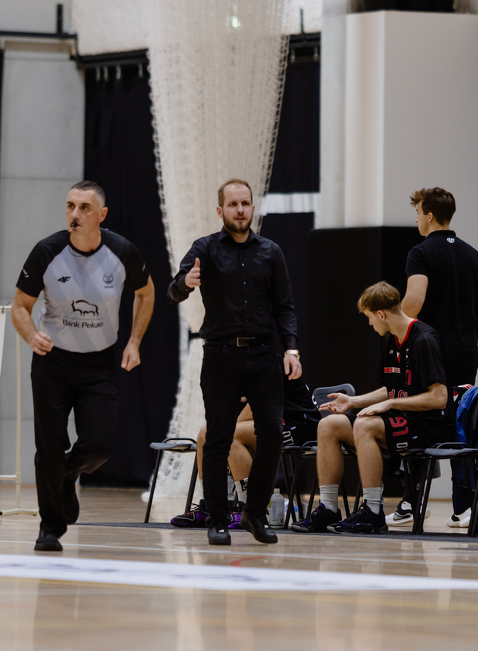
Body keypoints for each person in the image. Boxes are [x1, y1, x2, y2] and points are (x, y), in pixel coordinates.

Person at [14, 181, 153, 552]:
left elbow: (146, 293)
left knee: (99, 446)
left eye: (84, 208)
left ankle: (67, 475)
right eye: (70, 206)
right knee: (49, 446)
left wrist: (134, 341)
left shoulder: (122, 252)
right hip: (52, 363)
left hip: (99, 364)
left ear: (101, 215)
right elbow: (20, 307)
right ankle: (49, 528)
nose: (74, 214)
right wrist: (32, 336)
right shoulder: (46, 251)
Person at [168, 178, 301, 547]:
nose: (240, 210)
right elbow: (174, 290)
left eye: (245, 203)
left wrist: (291, 349)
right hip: (221, 354)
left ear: (252, 208)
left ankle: (255, 514)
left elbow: (285, 307)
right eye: (233, 204)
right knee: (218, 437)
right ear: (220, 210)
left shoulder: (271, 251)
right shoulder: (205, 248)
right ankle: (217, 519)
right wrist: (187, 282)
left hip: (263, 354)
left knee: (272, 434)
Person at [294, 281, 452, 535]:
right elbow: (390, 388)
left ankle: (373, 512)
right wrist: (353, 401)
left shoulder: (424, 339)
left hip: (427, 425)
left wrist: (391, 403)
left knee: (364, 425)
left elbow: (439, 397)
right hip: (399, 421)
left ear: (381, 314)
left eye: (369, 317)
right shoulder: (389, 340)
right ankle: (328, 509)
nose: (369, 323)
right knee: (329, 425)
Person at [398, 187, 478, 528]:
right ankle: (464, 508)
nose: (416, 220)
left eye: (418, 213)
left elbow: (414, 301)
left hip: (431, 352)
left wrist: (395, 320)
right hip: (467, 353)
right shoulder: (473, 254)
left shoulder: (420, 252)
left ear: (430, 215)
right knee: (461, 424)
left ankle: (411, 501)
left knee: (419, 421)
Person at [171, 374, 319, 529]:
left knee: (229, 436)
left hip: (300, 425)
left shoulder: (265, 363)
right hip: (270, 421)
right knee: (205, 433)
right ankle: (211, 507)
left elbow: (257, 406)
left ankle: (248, 510)